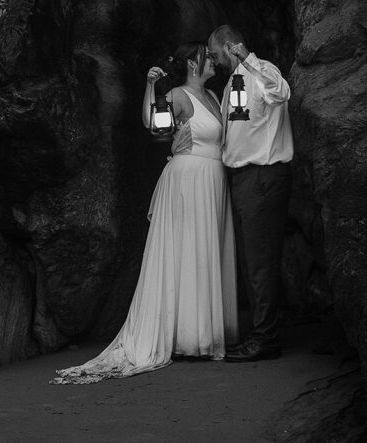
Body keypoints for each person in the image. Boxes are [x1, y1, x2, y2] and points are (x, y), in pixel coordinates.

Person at [51, 43, 238, 384]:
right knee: (187, 253)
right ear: (192, 64)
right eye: (207, 57)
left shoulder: (214, 94)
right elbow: (155, 124)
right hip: (188, 180)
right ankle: (187, 336)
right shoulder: (179, 95)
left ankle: (206, 330)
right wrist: (152, 87)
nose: (213, 61)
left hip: (212, 180)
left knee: (205, 252)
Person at [207, 25, 294, 362]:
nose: (215, 61)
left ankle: (265, 339)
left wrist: (249, 59)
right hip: (243, 178)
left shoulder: (263, 70)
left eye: (216, 54)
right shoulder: (233, 82)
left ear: (230, 47)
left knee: (260, 262)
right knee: (251, 260)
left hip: (263, 174)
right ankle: (261, 332)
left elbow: (281, 91)